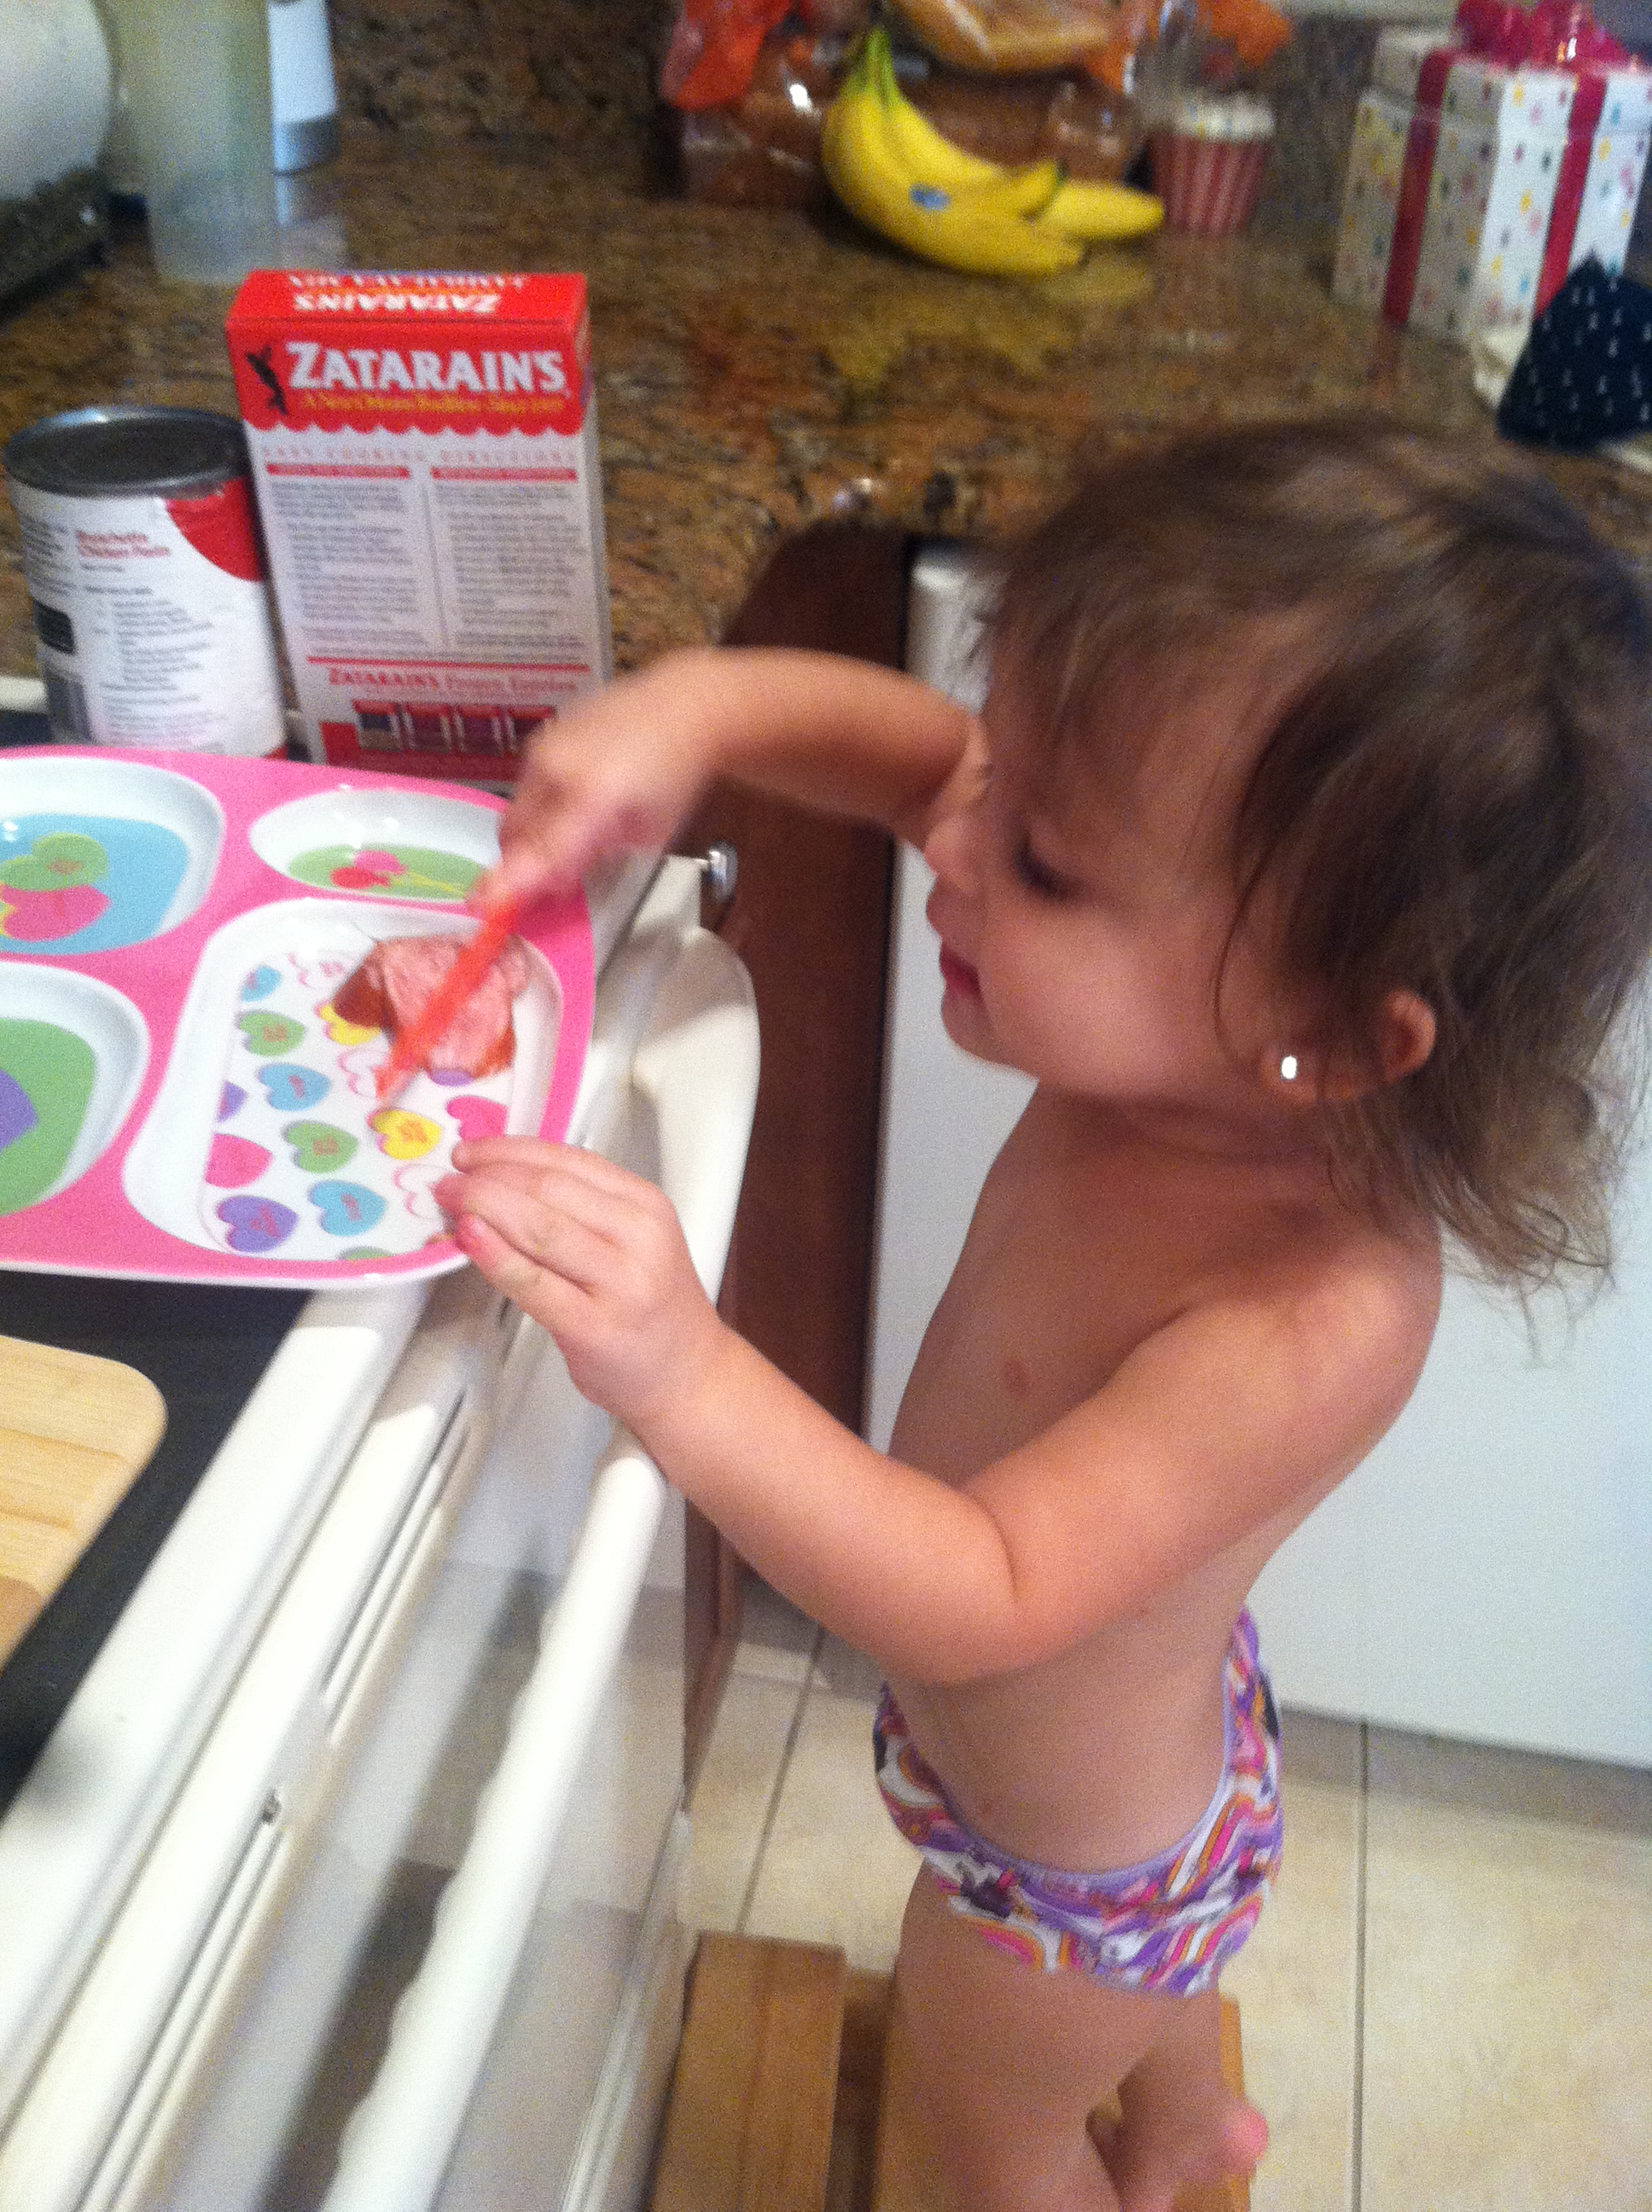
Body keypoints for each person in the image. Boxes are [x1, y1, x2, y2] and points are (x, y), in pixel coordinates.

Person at [435, 420, 1652, 2211]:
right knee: (1154, 2005)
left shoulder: (1307, 1313)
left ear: (1328, 1029)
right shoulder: (1206, 1040)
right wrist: (695, 710)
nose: (952, 836)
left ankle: (1125, 2140)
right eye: (997, 776)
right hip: (1122, 1760)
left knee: (989, 2141)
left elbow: (986, 1591)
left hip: (1069, 1885)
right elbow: (922, 757)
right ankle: (1189, 2125)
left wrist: (683, 1369)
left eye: (1047, 863)